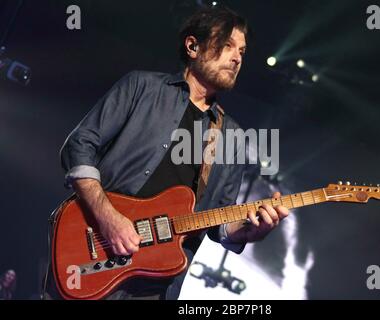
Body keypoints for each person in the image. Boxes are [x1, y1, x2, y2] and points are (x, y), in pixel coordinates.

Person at [47, 6, 289, 300]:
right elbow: (80, 144)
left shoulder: (233, 138)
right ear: (192, 46)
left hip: (157, 289)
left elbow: (220, 222)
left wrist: (252, 231)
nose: (237, 58)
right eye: (227, 46)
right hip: (93, 255)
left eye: (242, 51)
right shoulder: (141, 87)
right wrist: (108, 218)